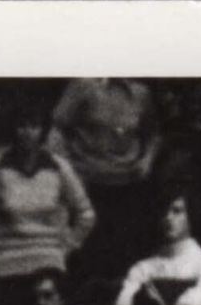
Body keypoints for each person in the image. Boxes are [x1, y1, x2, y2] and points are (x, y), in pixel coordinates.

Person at [0, 99, 98, 305]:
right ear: (12, 129)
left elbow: (86, 214)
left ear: (43, 131)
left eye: (34, 126)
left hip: (49, 262)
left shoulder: (59, 167)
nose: (27, 133)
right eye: (21, 126)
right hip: (5, 265)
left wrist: (67, 247)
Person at [52, 77, 159, 280]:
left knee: (122, 256)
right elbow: (56, 130)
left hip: (128, 184)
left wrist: (147, 160)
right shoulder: (83, 86)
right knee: (85, 258)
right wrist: (67, 171)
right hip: (87, 183)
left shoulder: (140, 93)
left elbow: (152, 134)